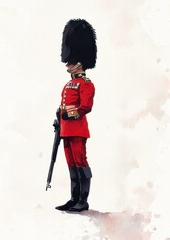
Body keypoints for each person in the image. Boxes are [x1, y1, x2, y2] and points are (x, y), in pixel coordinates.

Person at [55, 19, 97, 212]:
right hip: (66, 129)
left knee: (80, 163)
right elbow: (64, 104)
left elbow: (85, 107)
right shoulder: (68, 84)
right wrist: (60, 117)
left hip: (77, 129)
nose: (67, 64)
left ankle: (83, 200)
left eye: (71, 61)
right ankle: (74, 199)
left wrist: (69, 114)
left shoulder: (86, 84)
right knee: (71, 163)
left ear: (79, 63)